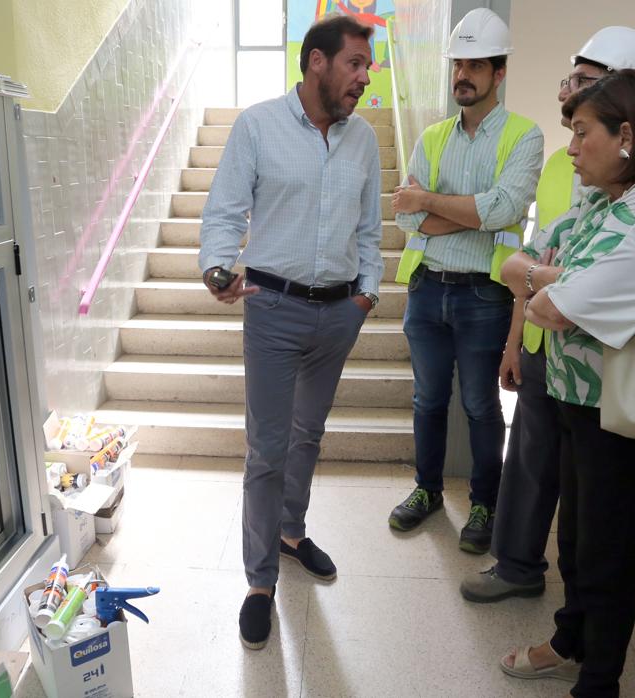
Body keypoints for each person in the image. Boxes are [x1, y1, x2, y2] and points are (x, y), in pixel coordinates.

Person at [498, 70, 635, 697]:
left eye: (582, 133)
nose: (571, 147)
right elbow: (519, 262)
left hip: (624, 415)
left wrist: (540, 281)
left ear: (628, 135)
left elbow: (552, 307)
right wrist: (545, 277)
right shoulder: (605, 199)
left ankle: (599, 682)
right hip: (578, 399)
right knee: (579, 543)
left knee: (608, 556)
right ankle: (570, 640)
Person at [462, 26, 635, 603]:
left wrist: (543, 278)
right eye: (569, 79)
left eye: (584, 81)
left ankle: (585, 627)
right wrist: (514, 338)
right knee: (529, 467)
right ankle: (519, 568)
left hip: (608, 372)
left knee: (594, 515)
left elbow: (579, 278)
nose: (566, 93)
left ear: (627, 95)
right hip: (546, 344)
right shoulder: (564, 161)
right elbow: (526, 259)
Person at [198, 14, 383, 650]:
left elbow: (370, 227)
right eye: (355, 63)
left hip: (339, 311)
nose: (365, 76)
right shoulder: (258, 125)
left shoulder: (363, 141)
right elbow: (223, 210)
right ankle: (258, 582)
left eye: (368, 63)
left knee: (309, 433)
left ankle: (291, 531)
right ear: (316, 63)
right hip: (273, 310)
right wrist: (217, 268)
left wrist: (366, 294)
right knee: (267, 447)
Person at [387, 7, 543, 555]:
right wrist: (467, 212)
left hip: (484, 293)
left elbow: (503, 209)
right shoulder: (432, 137)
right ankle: (426, 491)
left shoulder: (525, 135)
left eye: (477, 65)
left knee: (480, 405)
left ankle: (484, 502)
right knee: (427, 399)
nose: (464, 75)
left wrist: (431, 202)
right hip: (428, 286)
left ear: (499, 73)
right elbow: (405, 218)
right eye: (459, 64)